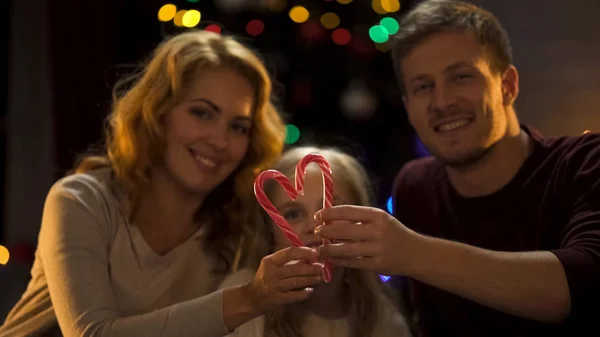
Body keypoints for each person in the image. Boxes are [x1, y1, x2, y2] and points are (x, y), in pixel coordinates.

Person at [0, 30, 325, 337]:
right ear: (158, 112)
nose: (220, 140)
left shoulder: (237, 227)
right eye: (201, 113)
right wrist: (248, 299)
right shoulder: (81, 199)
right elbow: (92, 333)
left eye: (238, 127)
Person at [313, 0, 600, 336]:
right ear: (408, 108)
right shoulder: (414, 185)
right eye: (423, 87)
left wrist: (410, 251)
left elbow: (581, 288)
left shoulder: (584, 162)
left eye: (461, 77)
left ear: (507, 85)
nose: (442, 102)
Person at [221, 146, 411, 337]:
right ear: (271, 233)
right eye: (293, 214)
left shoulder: (384, 320)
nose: (314, 226)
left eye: (330, 209)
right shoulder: (242, 301)